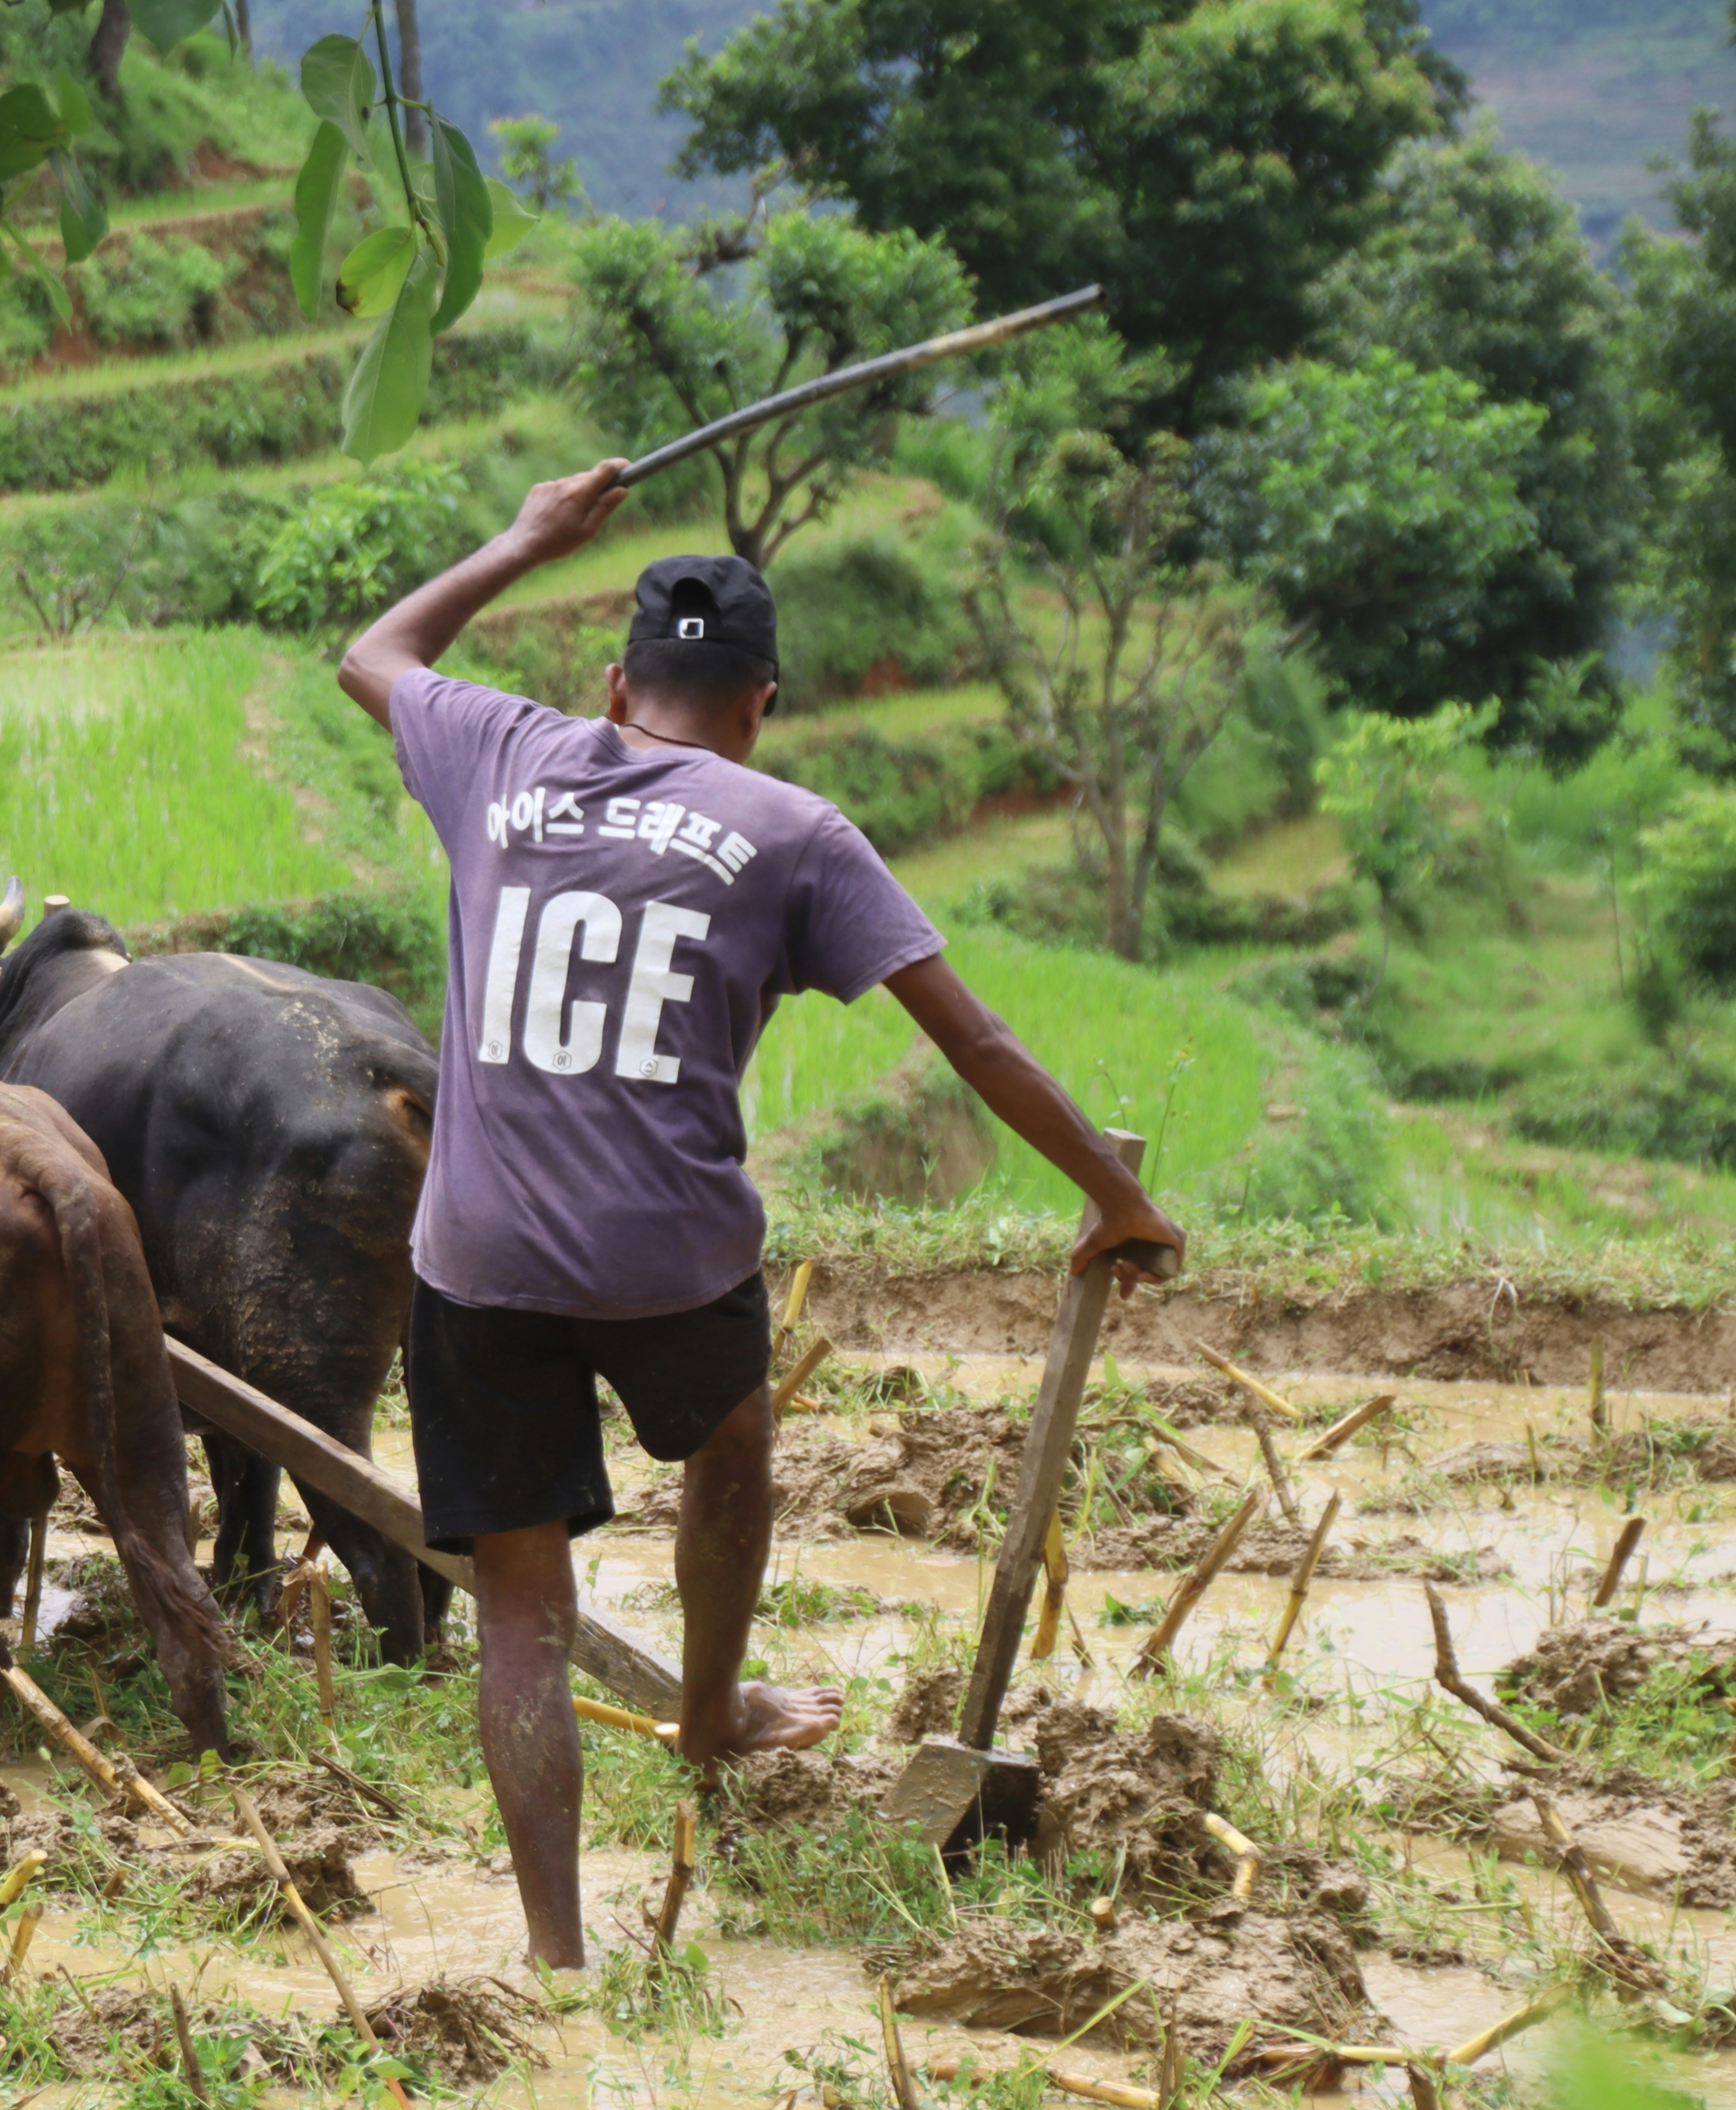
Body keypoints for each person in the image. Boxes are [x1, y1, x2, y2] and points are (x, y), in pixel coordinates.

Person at [337, 460, 1187, 1970]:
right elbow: (976, 1043)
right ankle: (713, 1709)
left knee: (522, 1610)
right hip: (673, 1259)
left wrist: (528, 538)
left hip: (481, 1256)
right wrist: (1114, 1196)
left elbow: (374, 656)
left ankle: (555, 1959)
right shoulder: (795, 832)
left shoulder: (504, 751)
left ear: (617, 686)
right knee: (730, 1442)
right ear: (760, 703)